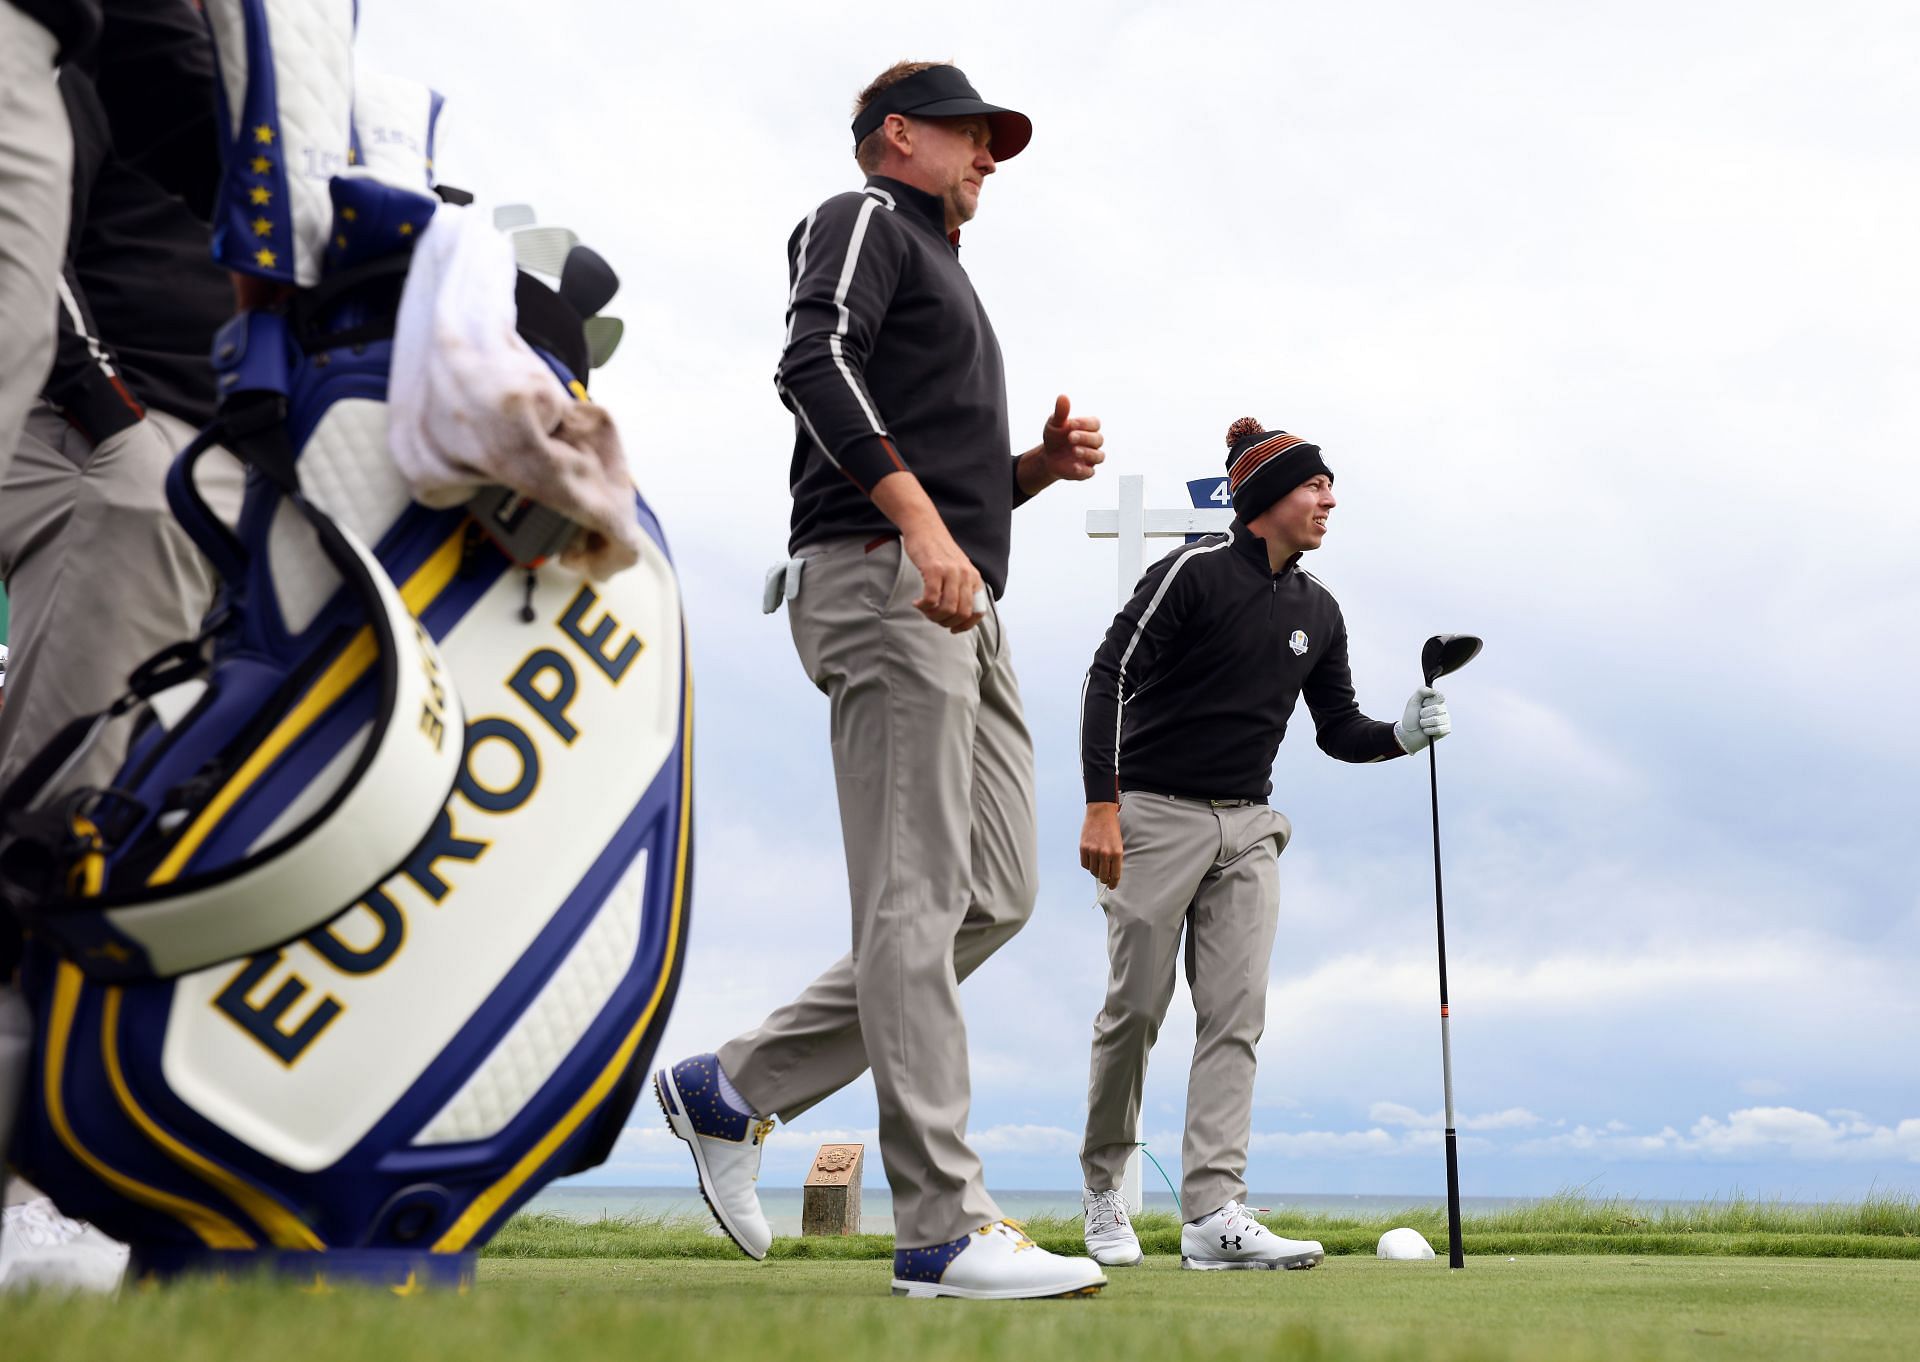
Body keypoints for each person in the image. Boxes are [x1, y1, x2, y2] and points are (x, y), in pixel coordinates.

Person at [655, 61, 1109, 1301]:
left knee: (996, 894)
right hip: (884, 582)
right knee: (913, 903)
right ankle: (939, 1229)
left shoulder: (948, 269)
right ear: (895, 135)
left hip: (956, 593)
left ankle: (732, 1087)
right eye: (971, 134)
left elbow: (934, 462)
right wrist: (921, 528)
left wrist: (1026, 472)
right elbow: (814, 364)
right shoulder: (861, 217)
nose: (988, 157)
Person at [1072, 417, 1454, 1271]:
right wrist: (1102, 804)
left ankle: (1213, 1213)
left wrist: (1402, 733)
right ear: (1265, 499)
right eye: (1315, 486)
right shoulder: (1192, 573)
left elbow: (1338, 729)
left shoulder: (1319, 609)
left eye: (1328, 488)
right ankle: (1103, 1190)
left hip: (1250, 825)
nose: (1329, 500)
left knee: (1235, 1015)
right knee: (1135, 1011)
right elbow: (1110, 676)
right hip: (1152, 811)